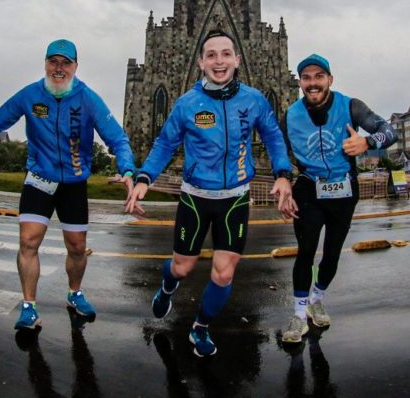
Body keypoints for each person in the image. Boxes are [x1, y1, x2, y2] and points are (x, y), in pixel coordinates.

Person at [0, 39, 136, 331]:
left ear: (75, 66)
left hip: (73, 183)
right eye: (53, 62)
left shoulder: (88, 99)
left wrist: (128, 170)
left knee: (77, 247)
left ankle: (75, 292)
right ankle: (29, 306)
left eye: (65, 63)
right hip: (39, 179)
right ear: (45, 63)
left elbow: (117, 138)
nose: (59, 68)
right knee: (28, 242)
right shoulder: (30, 95)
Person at [125, 29, 293, 357]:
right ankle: (167, 287)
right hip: (196, 197)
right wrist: (145, 177)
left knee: (224, 272)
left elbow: (273, 135)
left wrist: (283, 174)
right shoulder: (187, 104)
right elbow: (165, 143)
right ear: (201, 62)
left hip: (235, 198)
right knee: (182, 267)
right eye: (211, 55)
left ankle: (200, 327)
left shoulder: (254, 99)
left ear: (237, 59)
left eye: (226, 54)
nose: (219, 61)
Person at [277, 54, 398, 343]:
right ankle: (299, 314)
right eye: (306, 78)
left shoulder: (350, 106)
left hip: (344, 189)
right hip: (309, 187)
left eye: (319, 76)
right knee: (306, 251)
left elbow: (389, 131)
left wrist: (367, 142)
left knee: (332, 253)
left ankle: (317, 298)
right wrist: (281, 178)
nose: (313, 83)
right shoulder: (290, 116)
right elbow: (277, 150)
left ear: (330, 79)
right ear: (300, 83)